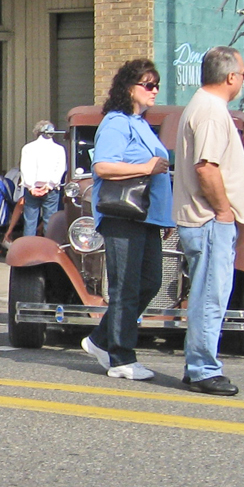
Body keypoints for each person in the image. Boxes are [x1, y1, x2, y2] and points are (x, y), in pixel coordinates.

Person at [80, 61, 171, 380]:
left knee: (150, 282)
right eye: (148, 84)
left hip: (147, 217)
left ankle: (100, 340)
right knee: (126, 286)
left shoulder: (141, 123)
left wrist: (165, 215)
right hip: (123, 215)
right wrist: (147, 167)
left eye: (156, 84)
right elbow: (103, 166)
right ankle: (121, 358)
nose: (154, 90)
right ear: (129, 88)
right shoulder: (117, 123)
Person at [173, 46, 244, 396]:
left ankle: (197, 363)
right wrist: (223, 210)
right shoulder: (210, 112)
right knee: (211, 295)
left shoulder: (206, 106)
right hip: (208, 219)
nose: (243, 81)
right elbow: (206, 167)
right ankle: (204, 367)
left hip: (204, 219)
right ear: (231, 76)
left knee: (210, 292)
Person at [18, 120, 67, 238]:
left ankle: (28, 251)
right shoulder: (59, 149)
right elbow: (60, 169)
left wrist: (31, 187)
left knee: (30, 221)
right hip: (51, 189)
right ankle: (49, 250)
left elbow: (25, 168)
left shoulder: (28, 148)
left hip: (32, 189)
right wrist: (50, 185)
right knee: (50, 222)